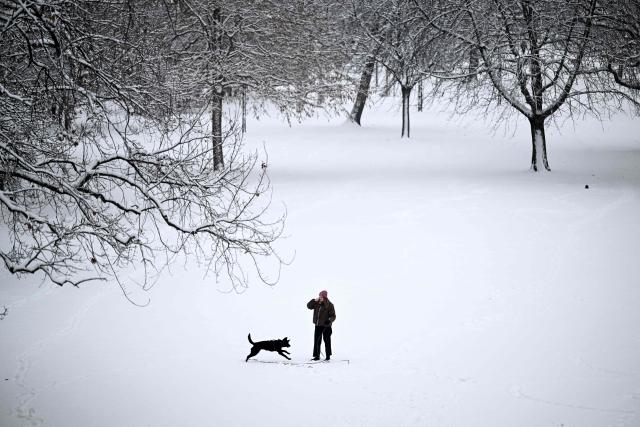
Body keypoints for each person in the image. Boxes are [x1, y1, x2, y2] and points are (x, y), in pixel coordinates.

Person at [306, 290, 336, 361]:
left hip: (326, 326)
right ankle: (317, 356)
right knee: (317, 341)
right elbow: (308, 306)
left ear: (325, 297)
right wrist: (313, 300)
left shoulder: (330, 305)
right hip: (318, 325)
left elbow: (333, 316)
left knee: (327, 341)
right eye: (319, 296)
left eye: (321, 296)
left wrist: (329, 320)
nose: (320, 297)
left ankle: (328, 356)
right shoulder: (316, 303)